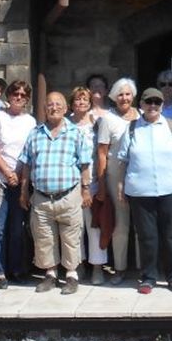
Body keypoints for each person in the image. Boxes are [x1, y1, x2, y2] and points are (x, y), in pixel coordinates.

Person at [116, 88, 172, 294]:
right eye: (148, 101)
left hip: (171, 189)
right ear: (141, 104)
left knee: (171, 235)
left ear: (161, 105)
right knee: (147, 236)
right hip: (140, 191)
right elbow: (123, 160)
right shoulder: (132, 128)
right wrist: (121, 186)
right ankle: (148, 277)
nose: (152, 106)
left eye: (157, 102)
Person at [21, 91, 92, 294]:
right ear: (45, 109)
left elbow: (84, 164)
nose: (54, 108)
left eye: (58, 104)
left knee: (71, 237)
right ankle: (50, 274)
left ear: (65, 108)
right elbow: (26, 164)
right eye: (50, 105)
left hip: (68, 195)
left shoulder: (75, 133)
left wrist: (86, 190)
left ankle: (71, 275)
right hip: (41, 197)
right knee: (44, 237)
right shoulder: (35, 134)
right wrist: (24, 191)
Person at [0, 79, 35, 288]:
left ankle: (16, 269)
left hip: (21, 180)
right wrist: (8, 173)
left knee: (17, 228)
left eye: (23, 95)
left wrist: (18, 175)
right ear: (8, 96)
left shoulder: (30, 121)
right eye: (15, 93)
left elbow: (30, 152)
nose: (18, 97)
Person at [96, 77, 139, 283]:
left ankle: (142, 267)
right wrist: (102, 183)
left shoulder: (141, 115)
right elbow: (102, 153)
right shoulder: (107, 119)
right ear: (114, 97)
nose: (124, 98)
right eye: (120, 94)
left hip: (140, 174)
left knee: (142, 223)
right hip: (116, 175)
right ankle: (120, 267)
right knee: (120, 224)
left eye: (128, 94)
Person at [69, 85, 108, 285]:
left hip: (92, 181)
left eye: (85, 99)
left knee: (94, 226)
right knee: (75, 228)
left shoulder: (97, 123)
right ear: (72, 103)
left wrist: (101, 182)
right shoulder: (66, 124)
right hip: (70, 182)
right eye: (78, 99)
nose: (81, 102)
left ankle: (97, 267)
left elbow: (102, 152)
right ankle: (78, 264)